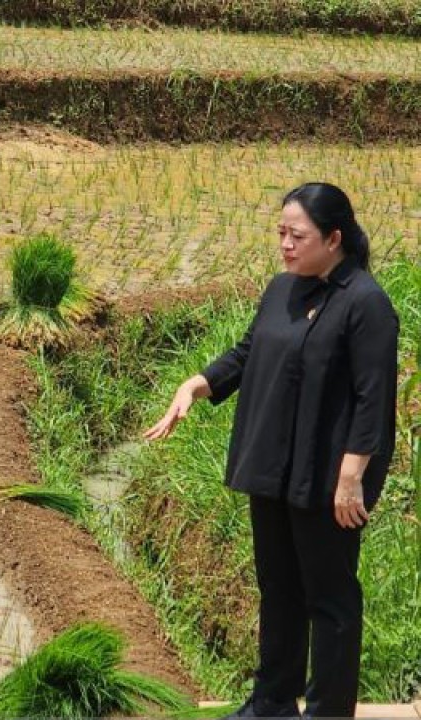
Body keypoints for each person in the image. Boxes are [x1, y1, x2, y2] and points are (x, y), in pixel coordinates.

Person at [145, 183, 397, 719]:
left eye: (296, 236)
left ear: (334, 238)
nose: (285, 244)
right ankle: (273, 702)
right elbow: (247, 352)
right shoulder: (283, 289)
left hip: (328, 477)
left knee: (329, 598)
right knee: (278, 587)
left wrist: (351, 477)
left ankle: (327, 712)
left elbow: (373, 397)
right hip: (274, 465)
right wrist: (195, 385)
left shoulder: (366, 302)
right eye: (281, 233)